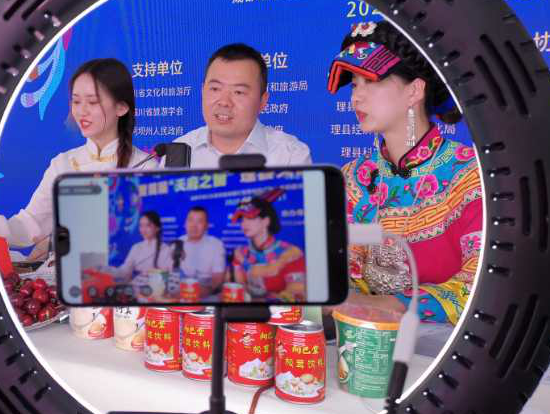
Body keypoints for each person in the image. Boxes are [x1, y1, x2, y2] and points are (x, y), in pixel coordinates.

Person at [327, 20, 482, 325]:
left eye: (370, 82)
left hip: (449, 347)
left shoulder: (469, 177)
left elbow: (479, 287)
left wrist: (384, 305)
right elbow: (342, 272)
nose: (356, 97)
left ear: (414, 90)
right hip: (364, 341)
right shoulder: (353, 179)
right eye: (355, 84)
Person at [0, 58, 153, 259]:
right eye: (76, 101)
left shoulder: (146, 168)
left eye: (92, 102)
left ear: (121, 107)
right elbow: (29, 226)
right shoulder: (62, 164)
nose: (81, 111)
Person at [172, 44, 312, 167]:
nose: (224, 102)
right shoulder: (178, 152)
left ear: (263, 101)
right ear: (203, 91)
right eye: (215, 89)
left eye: (238, 92)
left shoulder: (290, 156)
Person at [231, 194, 306, 302]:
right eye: (242, 219)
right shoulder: (240, 253)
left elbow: (296, 296)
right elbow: (240, 288)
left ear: (266, 221)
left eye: (250, 218)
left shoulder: (291, 253)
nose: (244, 224)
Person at [176, 206, 226, 296]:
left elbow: (218, 277)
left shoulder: (216, 244)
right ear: (185, 224)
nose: (194, 226)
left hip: (207, 290)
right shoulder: (178, 242)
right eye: (190, 220)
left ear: (206, 226)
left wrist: (205, 291)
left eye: (199, 221)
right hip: (181, 288)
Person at [113, 211, 174, 282]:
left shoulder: (166, 249)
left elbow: (167, 276)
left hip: (156, 288)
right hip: (136, 287)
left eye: (148, 225)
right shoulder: (136, 247)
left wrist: (146, 276)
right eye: (141, 225)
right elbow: (125, 271)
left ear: (157, 228)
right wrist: (106, 269)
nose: (143, 229)